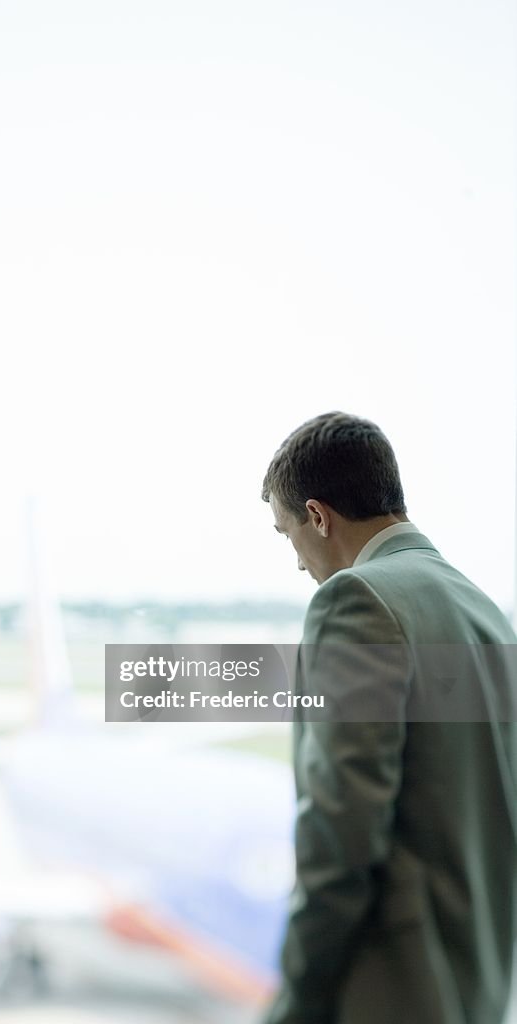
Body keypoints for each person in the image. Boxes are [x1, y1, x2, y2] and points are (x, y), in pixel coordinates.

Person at [260, 411, 517, 1024]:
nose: (298, 561)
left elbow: (342, 826)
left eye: (286, 533)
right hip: (477, 984)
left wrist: (299, 991)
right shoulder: (485, 615)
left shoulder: (356, 599)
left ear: (318, 517)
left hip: (388, 989)